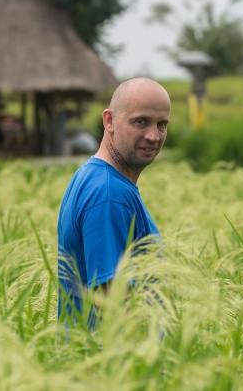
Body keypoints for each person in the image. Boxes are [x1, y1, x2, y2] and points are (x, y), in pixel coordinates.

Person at [57, 77, 171, 327]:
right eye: (140, 122)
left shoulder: (93, 177)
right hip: (109, 362)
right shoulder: (108, 194)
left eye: (161, 125)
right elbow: (113, 300)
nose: (153, 136)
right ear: (109, 121)